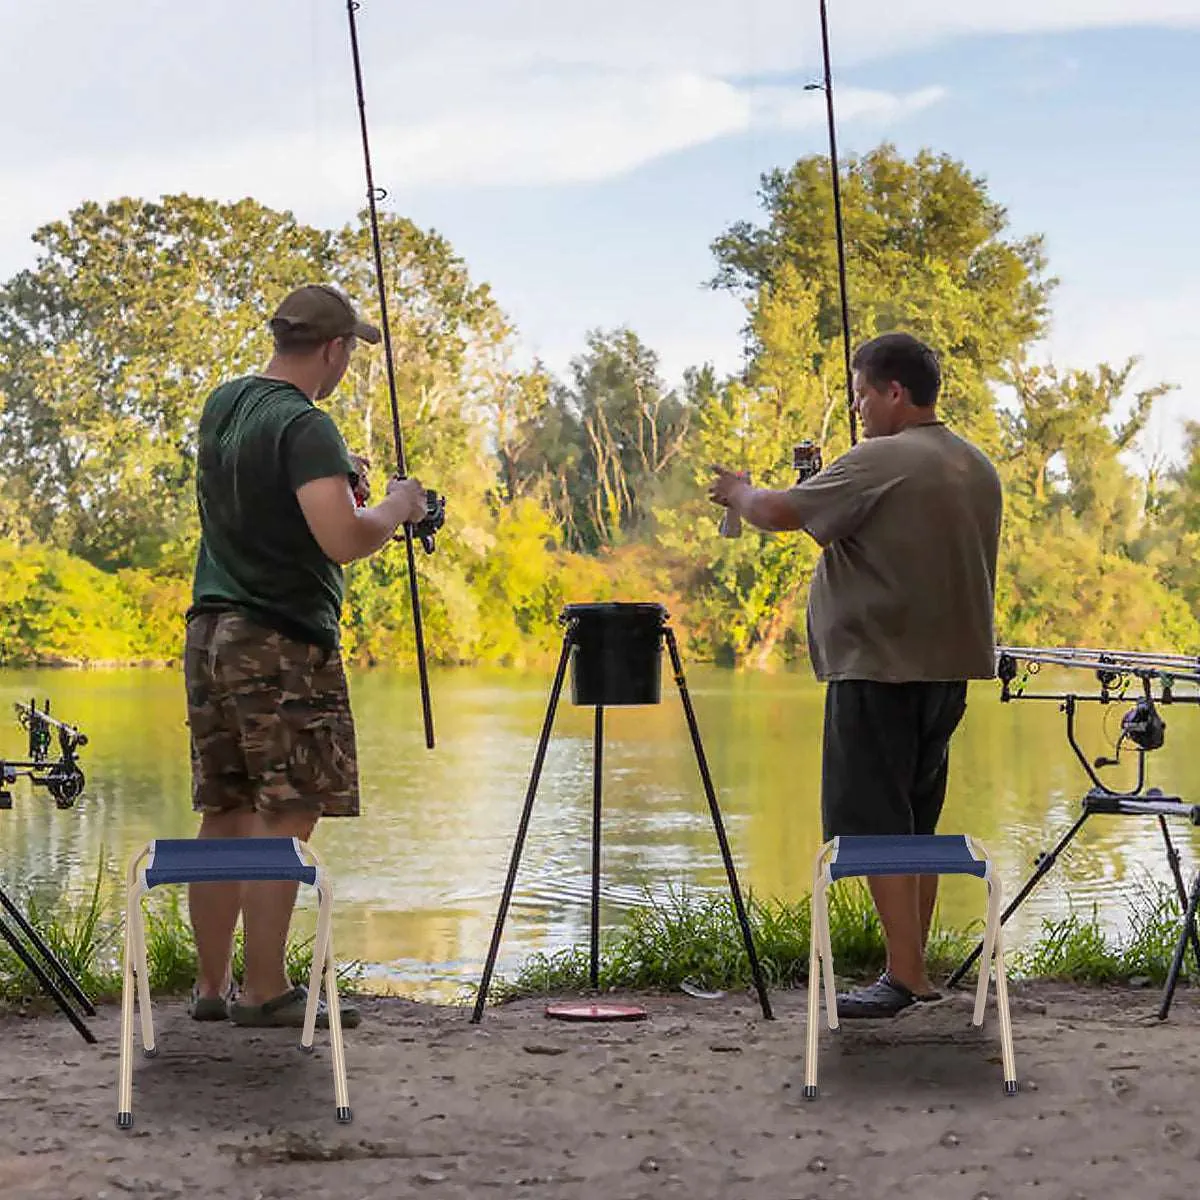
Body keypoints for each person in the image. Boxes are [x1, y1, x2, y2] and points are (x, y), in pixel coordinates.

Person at [709, 331, 1003, 1018]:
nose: (859, 407)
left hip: (878, 671)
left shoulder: (883, 458)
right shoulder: (974, 464)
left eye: (863, 393)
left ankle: (906, 981)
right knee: (916, 830)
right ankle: (917, 971)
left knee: (874, 830)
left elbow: (780, 514)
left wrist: (740, 491)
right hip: (944, 673)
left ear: (895, 392)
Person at [184, 283, 429, 1028]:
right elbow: (344, 541)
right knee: (289, 807)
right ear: (334, 349)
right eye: (350, 349)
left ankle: (210, 987)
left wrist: (333, 479)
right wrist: (397, 506)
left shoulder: (226, 404)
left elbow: (270, 501)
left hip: (210, 632)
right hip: (281, 638)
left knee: (225, 809)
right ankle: (265, 990)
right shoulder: (306, 422)